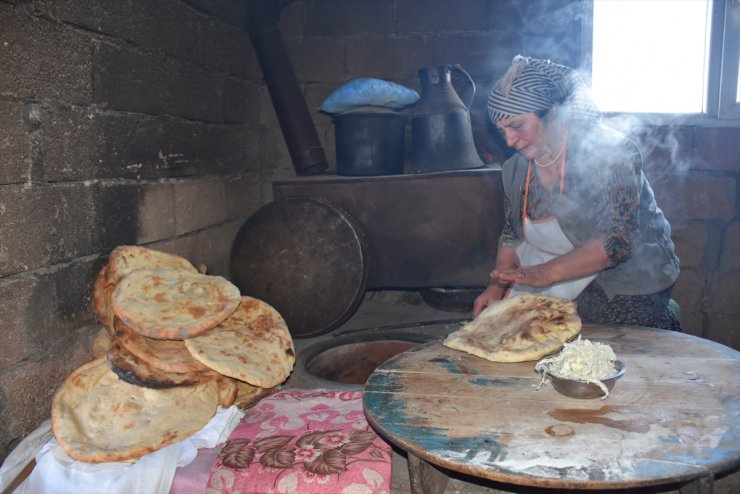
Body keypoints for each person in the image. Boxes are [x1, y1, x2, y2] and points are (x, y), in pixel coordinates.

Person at [473, 55, 682, 331]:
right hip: (556, 277)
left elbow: (617, 242)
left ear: (553, 113)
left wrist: (544, 274)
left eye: (516, 125)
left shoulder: (610, 154)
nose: (510, 140)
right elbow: (512, 233)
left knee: (602, 342)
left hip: (627, 278)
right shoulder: (515, 169)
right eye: (502, 131)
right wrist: (496, 287)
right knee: (519, 333)